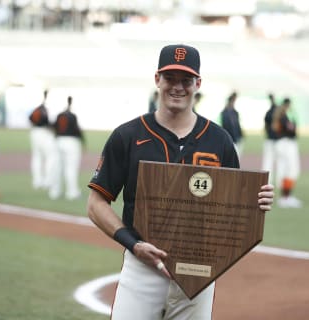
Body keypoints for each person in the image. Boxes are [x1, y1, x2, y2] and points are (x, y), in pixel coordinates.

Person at [87, 44, 274, 320]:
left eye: (186, 80)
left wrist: (255, 203)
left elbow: (232, 209)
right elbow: (95, 203)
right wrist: (134, 244)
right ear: (157, 80)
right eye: (170, 78)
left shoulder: (219, 140)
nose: (178, 87)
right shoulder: (127, 135)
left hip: (198, 273)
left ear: (198, 83)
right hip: (142, 268)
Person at [49, 96, 84, 200]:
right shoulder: (72, 116)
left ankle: (55, 191)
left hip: (59, 141)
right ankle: (72, 192)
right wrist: (83, 141)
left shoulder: (60, 115)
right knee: (71, 168)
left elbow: (53, 127)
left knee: (57, 167)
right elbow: (77, 130)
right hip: (71, 142)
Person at [272, 97, 302, 208]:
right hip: (286, 144)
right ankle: (286, 197)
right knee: (291, 170)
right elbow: (293, 132)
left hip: (281, 144)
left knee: (284, 170)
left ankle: (285, 197)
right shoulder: (283, 117)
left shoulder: (279, 116)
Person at [28, 89, 55, 190]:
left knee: (37, 157)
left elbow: (30, 118)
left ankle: (37, 181)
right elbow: (47, 122)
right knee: (50, 156)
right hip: (43, 133)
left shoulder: (36, 109)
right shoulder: (43, 110)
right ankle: (47, 181)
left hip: (34, 132)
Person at [220, 91, 243, 158]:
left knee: (236, 157)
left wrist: (240, 135)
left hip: (236, 138)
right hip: (230, 139)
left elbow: (237, 126)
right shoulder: (225, 113)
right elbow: (226, 126)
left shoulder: (235, 112)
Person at [261, 93, 278, 184]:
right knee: (278, 162)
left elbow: (265, 127)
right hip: (277, 140)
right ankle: (276, 180)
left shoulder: (268, 112)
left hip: (270, 139)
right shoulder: (277, 111)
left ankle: (267, 180)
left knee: (268, 161)